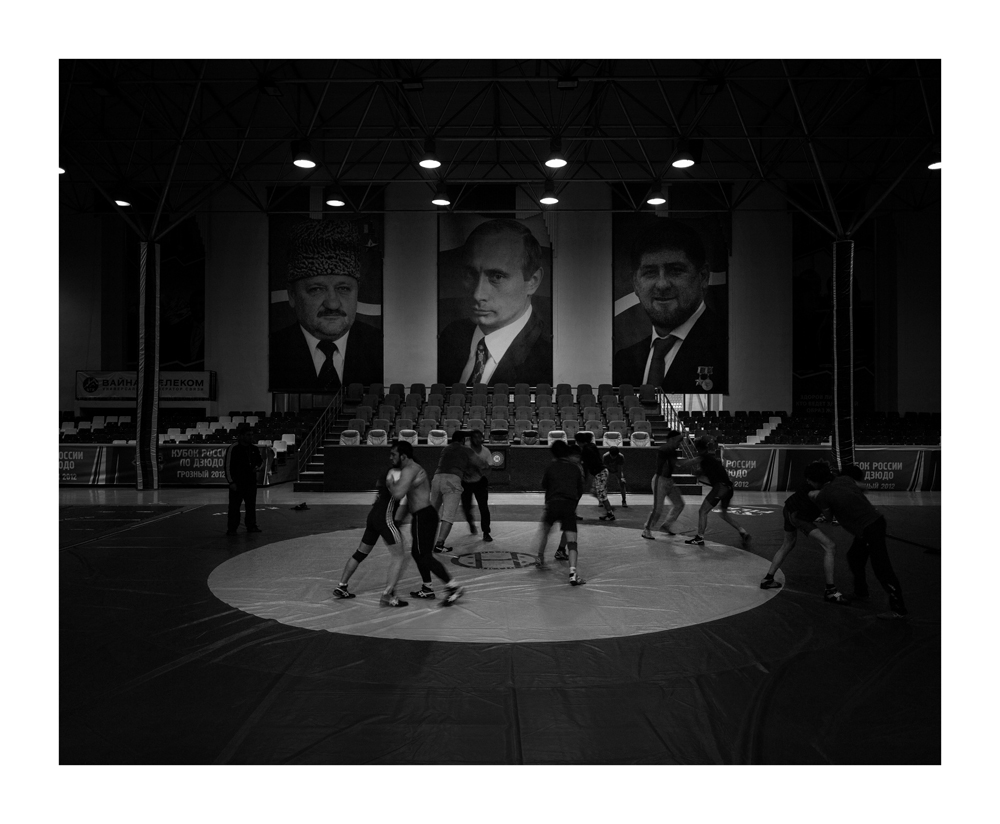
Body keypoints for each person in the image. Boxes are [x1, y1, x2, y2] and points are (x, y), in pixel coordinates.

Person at [613, 220, 727, 393]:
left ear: (703, 277)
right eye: (650, 272)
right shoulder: (624, 360)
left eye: (675, 270)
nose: (662, 284)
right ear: (635, 283)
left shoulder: (727, 348)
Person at [269, 219, 383, 392]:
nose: (333, 303)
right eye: (316, 289)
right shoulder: (274, 351)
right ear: (292, 295)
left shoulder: (381, 346)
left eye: (343, 288)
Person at [438, 219, 552, 386]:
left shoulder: (548, 355)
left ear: (533, 281)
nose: (478, 294)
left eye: (497, 277)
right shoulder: (450, 337)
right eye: (471, 274)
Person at [809, 464, 907, 618]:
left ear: (814, 482)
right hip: (874, 523)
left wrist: (817, 498)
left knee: (881, 567)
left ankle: (899, 610)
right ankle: (861, 592)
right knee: (854, 557)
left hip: (869, 528)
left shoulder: (823, 496)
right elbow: (862, 486)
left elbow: (828, 518)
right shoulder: (844, 480)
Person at [386, 440, 465, 606]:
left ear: (404, 456)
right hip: (421, 516)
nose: (390, 457)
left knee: (425, 555)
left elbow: (399, 494)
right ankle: (427, 588)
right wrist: (400, 519)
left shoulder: (410, 469)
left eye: (393, 454)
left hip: (424, 517)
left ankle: (453, 586)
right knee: (418, 553)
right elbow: (410, 500)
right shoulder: (411, 470)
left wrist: (390, 481)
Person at [760, 460, 849, 604]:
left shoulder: (826, 485)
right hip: (797, 516)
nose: (807, 481)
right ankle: (831, 591)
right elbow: (828, 517)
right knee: (830, 546)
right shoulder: (819, 491)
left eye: (810, 480)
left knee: (787, 544)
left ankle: (768, 579)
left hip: (788, 508)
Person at [332, 462, 410, 608]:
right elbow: (400, 494)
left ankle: (341, 585)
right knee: (399, 556)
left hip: (373, 516)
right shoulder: (398, 473)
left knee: (360, 553)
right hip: (385, 519)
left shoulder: (385, 473)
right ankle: (390, 595)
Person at [679, 436, 750, 548]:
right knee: (724, 514)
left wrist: (674, 461)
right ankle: (743, 531)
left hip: (721, 488)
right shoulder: (711, 460)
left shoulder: (702, 458)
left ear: (698, 450)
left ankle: (699, 538)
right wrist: (699, 473)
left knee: (702, 511)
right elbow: (705, 474)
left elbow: (687, 463)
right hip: (729, 488)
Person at [534, 439, 586, 586]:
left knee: (545, 532)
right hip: (568, 505)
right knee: (572, 542)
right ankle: (573, 573)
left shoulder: (551, 467)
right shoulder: (575, 468)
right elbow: (579, 490)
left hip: (553, 503)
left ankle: (539, 558)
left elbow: (544, 484)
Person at [430, 430, 473, 553]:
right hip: (451, 482)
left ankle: (423, 540)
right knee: (448, 514)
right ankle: (439, 543)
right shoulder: (466, 450)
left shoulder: (445, 449)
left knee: (432, 512)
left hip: (437, 479)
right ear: (462, 440)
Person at [641, 429, 686, 540]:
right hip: (660, 481)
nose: (679, 444)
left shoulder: (672, 450)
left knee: (679, 504)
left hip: (668, 480)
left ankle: (666, 525)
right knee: (657, 508)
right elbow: (677, 464)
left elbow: (676, 464)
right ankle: (646, 529)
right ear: (671, 439)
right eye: (678, 441)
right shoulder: (665, 449)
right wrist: (696, 460)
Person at [224, 423, 263, 535]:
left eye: (251, 435)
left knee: (251, 506)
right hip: (237, 483)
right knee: (234, 507)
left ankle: (251, 526)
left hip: (250, 482)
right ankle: (232, 528)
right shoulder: (233, 448)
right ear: (241, 436)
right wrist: (231, 482)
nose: (250, 437)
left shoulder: (254, 449)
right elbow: (227, 466)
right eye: (248, 435)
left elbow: (260, 461)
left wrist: (258, 467)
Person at [461, 428, 493, 542]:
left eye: (479, 437)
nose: (477, 439)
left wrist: (482, 473)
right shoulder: (465, 450)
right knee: (466, 507)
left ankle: (486, 532)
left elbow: (489, 468)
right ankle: (470, 522)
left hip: (480, 482)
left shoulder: (486, 452)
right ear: (470, 439)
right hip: (465, 482)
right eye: (475, 437)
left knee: (483, 507)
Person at [574, 431, 615, 521]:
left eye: (577, 442)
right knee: (595, 492)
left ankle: (610, 513)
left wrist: (583, 477)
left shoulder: (586, 450)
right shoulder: (592, 446)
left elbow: (586, 465)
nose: (577, 443)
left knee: (602, 495)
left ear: (580, 441)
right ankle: (609, 509)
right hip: (601, 472)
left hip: (600, 473)